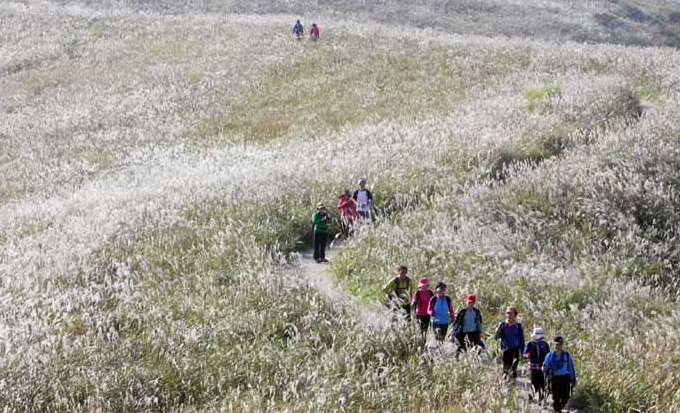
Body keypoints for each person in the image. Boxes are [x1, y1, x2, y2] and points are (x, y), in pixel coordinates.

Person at [544, 336, 576, 413]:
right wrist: (545, 374)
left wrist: (573, 378)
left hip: (565, 379)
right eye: (557, 344)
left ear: (562, 344)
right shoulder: (549, 355)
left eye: (560, 344)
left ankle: (558, 409)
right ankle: (557, 410)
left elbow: (571, 367)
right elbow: (545, 367)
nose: (558, 346)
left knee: (566, 397)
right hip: (554, 378)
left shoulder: (567, 355)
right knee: (556, 397)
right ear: (553, 344)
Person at [494, 306, 525, 381]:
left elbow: (521, 340)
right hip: (505, 349)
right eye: (508, 313)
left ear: (515, 315)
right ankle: (505, 385)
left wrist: (522, 351)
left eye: (511, 313)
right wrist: (497, 330)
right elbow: (496, 337)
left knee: (514, 368)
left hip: (515, 349)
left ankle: (513, 385)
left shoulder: (518, 326)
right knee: (505, 368)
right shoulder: (502, 325)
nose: (509, 315)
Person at [524, 327, 550, 402]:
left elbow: (549, 355)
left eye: (541, 337)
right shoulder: (530, 344)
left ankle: (541, 401)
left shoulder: (545, 344)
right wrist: (527, 355)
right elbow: (524, 354)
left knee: (542, 384)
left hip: (543, 368)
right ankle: (530, 398)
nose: (539, 339)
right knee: (534, 384)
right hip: (533, 368)